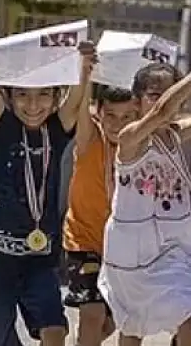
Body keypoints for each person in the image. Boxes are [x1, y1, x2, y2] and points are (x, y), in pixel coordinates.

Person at [0, 41, 95, 346]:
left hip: (39, 259)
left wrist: (85, 67)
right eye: (23, 95)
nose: (33, 105)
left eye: (43, 95)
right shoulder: (2, 124)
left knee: (55, 331)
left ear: (55, 99)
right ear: (10, 97)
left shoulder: (57, 128)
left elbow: (76, 101)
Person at [98, 62, 191, 346]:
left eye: (171, 91)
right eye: (154, 93)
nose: (165, 99)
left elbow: (169, 114)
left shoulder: (176, 134)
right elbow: (163, 111)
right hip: (132, 253)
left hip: (170, 247)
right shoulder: (131, 138)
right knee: (133, 326)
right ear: (136, 102)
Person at [62, 84, 138, 346]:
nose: (118, 124)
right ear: (98, 113)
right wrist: (85, 70)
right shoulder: (90, 138)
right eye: (111, 116)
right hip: (85, 242)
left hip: (127, 246)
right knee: (91, 314)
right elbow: (80, 104)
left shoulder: (141, 144)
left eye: (127, 117)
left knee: (120, 320)